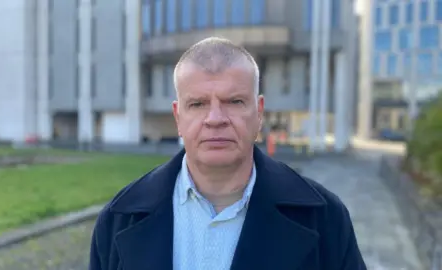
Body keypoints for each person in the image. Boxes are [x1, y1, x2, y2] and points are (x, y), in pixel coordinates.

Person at [89, 37, 367, 270]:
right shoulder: (117, 220)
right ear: (178, 117)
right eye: (197, 104)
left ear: (259, 113)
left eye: (234, 101)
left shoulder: (326, 218)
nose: (215, 118)